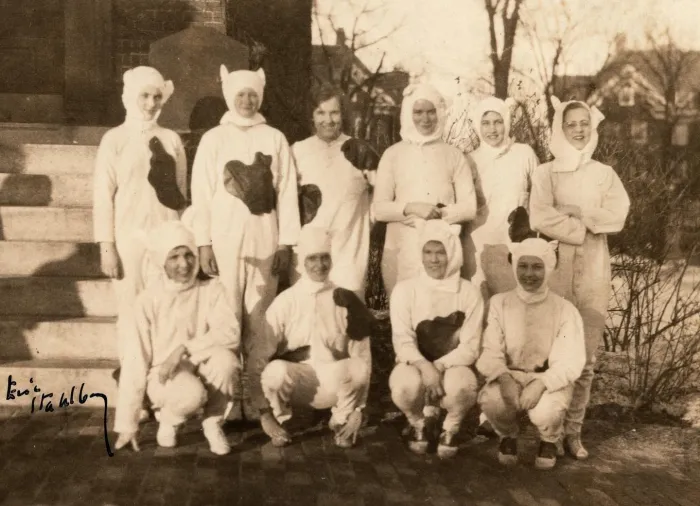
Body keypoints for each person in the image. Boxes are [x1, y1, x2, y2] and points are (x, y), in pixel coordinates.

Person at [190, 66, 301, 422]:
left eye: (252, 94)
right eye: (240, 94)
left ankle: (256, 398)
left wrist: (286, 243)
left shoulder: (275, 138)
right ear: (229, 96)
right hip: (224, 241)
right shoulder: (214, 139)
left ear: (260, 96)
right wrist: (204, 243)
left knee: (259, 317)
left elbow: (286, 193)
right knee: (226, 317)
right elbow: (201, 195)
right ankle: (225, 400)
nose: (247, 101)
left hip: (264, 238)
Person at [529, 97, 630, 459]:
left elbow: (618, 216)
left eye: (583, 123)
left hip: (594, 268)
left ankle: (573, 431)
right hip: (555, 266)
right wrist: (583, 225)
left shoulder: (604, 173)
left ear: (592, 127)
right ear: (560, 127)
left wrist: (577, 211)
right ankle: (549, 434)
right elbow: (540, 217)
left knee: (585, 358)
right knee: (555, 354)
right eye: (570, 123)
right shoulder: (545, 173)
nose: (578, 129)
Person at [113, 220, 241, 456]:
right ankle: (170, 420)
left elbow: (230, 333)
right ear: (162, 261)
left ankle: (213, 424)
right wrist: (127, 425)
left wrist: (184, 349)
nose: (184, 264)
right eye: (174, 257)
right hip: (164, 376)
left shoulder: (212, 289)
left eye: (188, 255)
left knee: (227, 362)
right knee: (190, 394)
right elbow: (134, 361)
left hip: (199, 363)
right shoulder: (147, 300)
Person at [93, 66, 188, 365]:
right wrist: (106, 246)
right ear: (130, 97)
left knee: (166, 308)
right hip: (129, 239)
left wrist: (183, 240)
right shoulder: (114, 139)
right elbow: (102, 196)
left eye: (156, 97)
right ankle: (134, 382)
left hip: (166, 236)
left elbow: (181, 194)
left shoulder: (171, 140)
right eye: (144, 96)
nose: (150, 104)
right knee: (132, 312)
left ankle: (160, 385)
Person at [257, 227, 373, 448]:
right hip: (298, 384)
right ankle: (283, 420)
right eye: (312, 258)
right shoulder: (286, 301)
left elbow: (363, 356)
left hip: (333, 381)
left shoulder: (346, 298)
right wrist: (264, 413)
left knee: (357, 367)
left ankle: (340, 420)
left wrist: (359, 408)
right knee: (274, 372)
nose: (319, 265)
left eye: (324, 258)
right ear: (301, 262)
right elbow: (258, 357)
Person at [476, 238, 585, 469]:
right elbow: (489, 350)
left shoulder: (565, 309)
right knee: (492, 400)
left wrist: (542, 383)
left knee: (546, 412)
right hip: (510, 375)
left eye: (537, 267)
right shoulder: (499, 303)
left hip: (546, 379)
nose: (529, 274)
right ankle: (508, 435)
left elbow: (570, 360)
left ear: (548, 268)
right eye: (523, 266)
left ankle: (549, 440)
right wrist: (503, 377)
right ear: (514, 267)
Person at [389, 219, 483, 459]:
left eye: (440, 252)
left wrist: (439, 366)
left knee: (462, 386)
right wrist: (424, 367)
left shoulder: (468, 292)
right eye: (428, 252)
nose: (434, 260)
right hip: (416, 365)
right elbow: (403, 340)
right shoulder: (405, 289)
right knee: (404, 387)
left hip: (453, 367)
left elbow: (470, 347)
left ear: (451, 253)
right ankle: (418, 423)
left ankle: (450, 427)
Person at [372, 83, 477, 296]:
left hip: (442, 248)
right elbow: (380, 209)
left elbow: (469, 208)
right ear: (408, 114)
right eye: (418, 112)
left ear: (439, 113)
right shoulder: (393, 154)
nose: (425, 119)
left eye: (431, 112)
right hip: (403, 248)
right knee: (405, 311)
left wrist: (438, 216)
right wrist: (412, 208)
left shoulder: (454, 155)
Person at [290, 85, 377, 298]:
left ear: (343, 114)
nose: (328, 120)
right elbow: (286, 198)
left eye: (334, 112)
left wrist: (368, 220)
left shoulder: (359, 149)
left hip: (350, 246)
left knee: (348, 314)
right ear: (312, 116)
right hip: (309, 247)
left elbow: (382, 193)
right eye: (321, 112)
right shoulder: (297, 150)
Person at [465, 96, 539, 299]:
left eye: (498, 122)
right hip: (481, 248)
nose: (492, 129)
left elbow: (541, 197)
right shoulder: (470, 160)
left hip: (515, 248)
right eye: (486, 123)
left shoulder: (524, 154)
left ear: (506, 122)